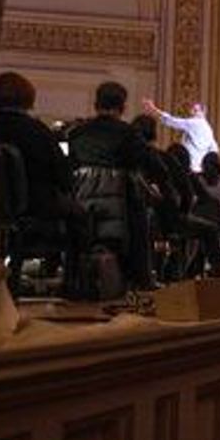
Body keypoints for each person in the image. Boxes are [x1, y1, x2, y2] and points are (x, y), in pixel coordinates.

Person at [0, 71, 87, 284]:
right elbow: (63, 176)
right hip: (35, 207)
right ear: (28, 98)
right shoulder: (37, 131)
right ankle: (73, 283)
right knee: (81, 216)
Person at [67, 82, 154, 291]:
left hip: (82, 204)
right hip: (121, 206)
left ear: (96, 104)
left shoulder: (76, 134)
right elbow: (147, 162)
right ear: (122, 107)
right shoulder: (128, 133)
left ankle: (72, 278)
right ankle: (141, 280)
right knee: (143, 216)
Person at [141, 98, 219, 173]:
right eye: (193, 110)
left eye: (196, 110)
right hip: (199, 168)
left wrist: (154, 109)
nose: (192, 113)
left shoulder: (195, 123)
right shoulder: (209, 129)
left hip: (190, 166)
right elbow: (214, 149)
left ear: (203, 112)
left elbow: (172, 121)